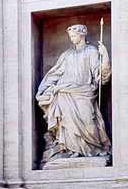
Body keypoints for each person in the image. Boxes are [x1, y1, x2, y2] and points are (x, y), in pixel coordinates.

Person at [36, 24, 112, 162]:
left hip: (84, 92)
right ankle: (72, 150)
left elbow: (100, 77)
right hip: (64, 93)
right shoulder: (67, 54)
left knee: (88, 120)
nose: (71, 39)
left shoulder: (91, 51)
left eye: (73, 36)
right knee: (67, 122)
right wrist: (46, 88)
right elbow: (56, 73)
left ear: (82, 35)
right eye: (70, 36)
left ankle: (93, 148)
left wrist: (105, 56)